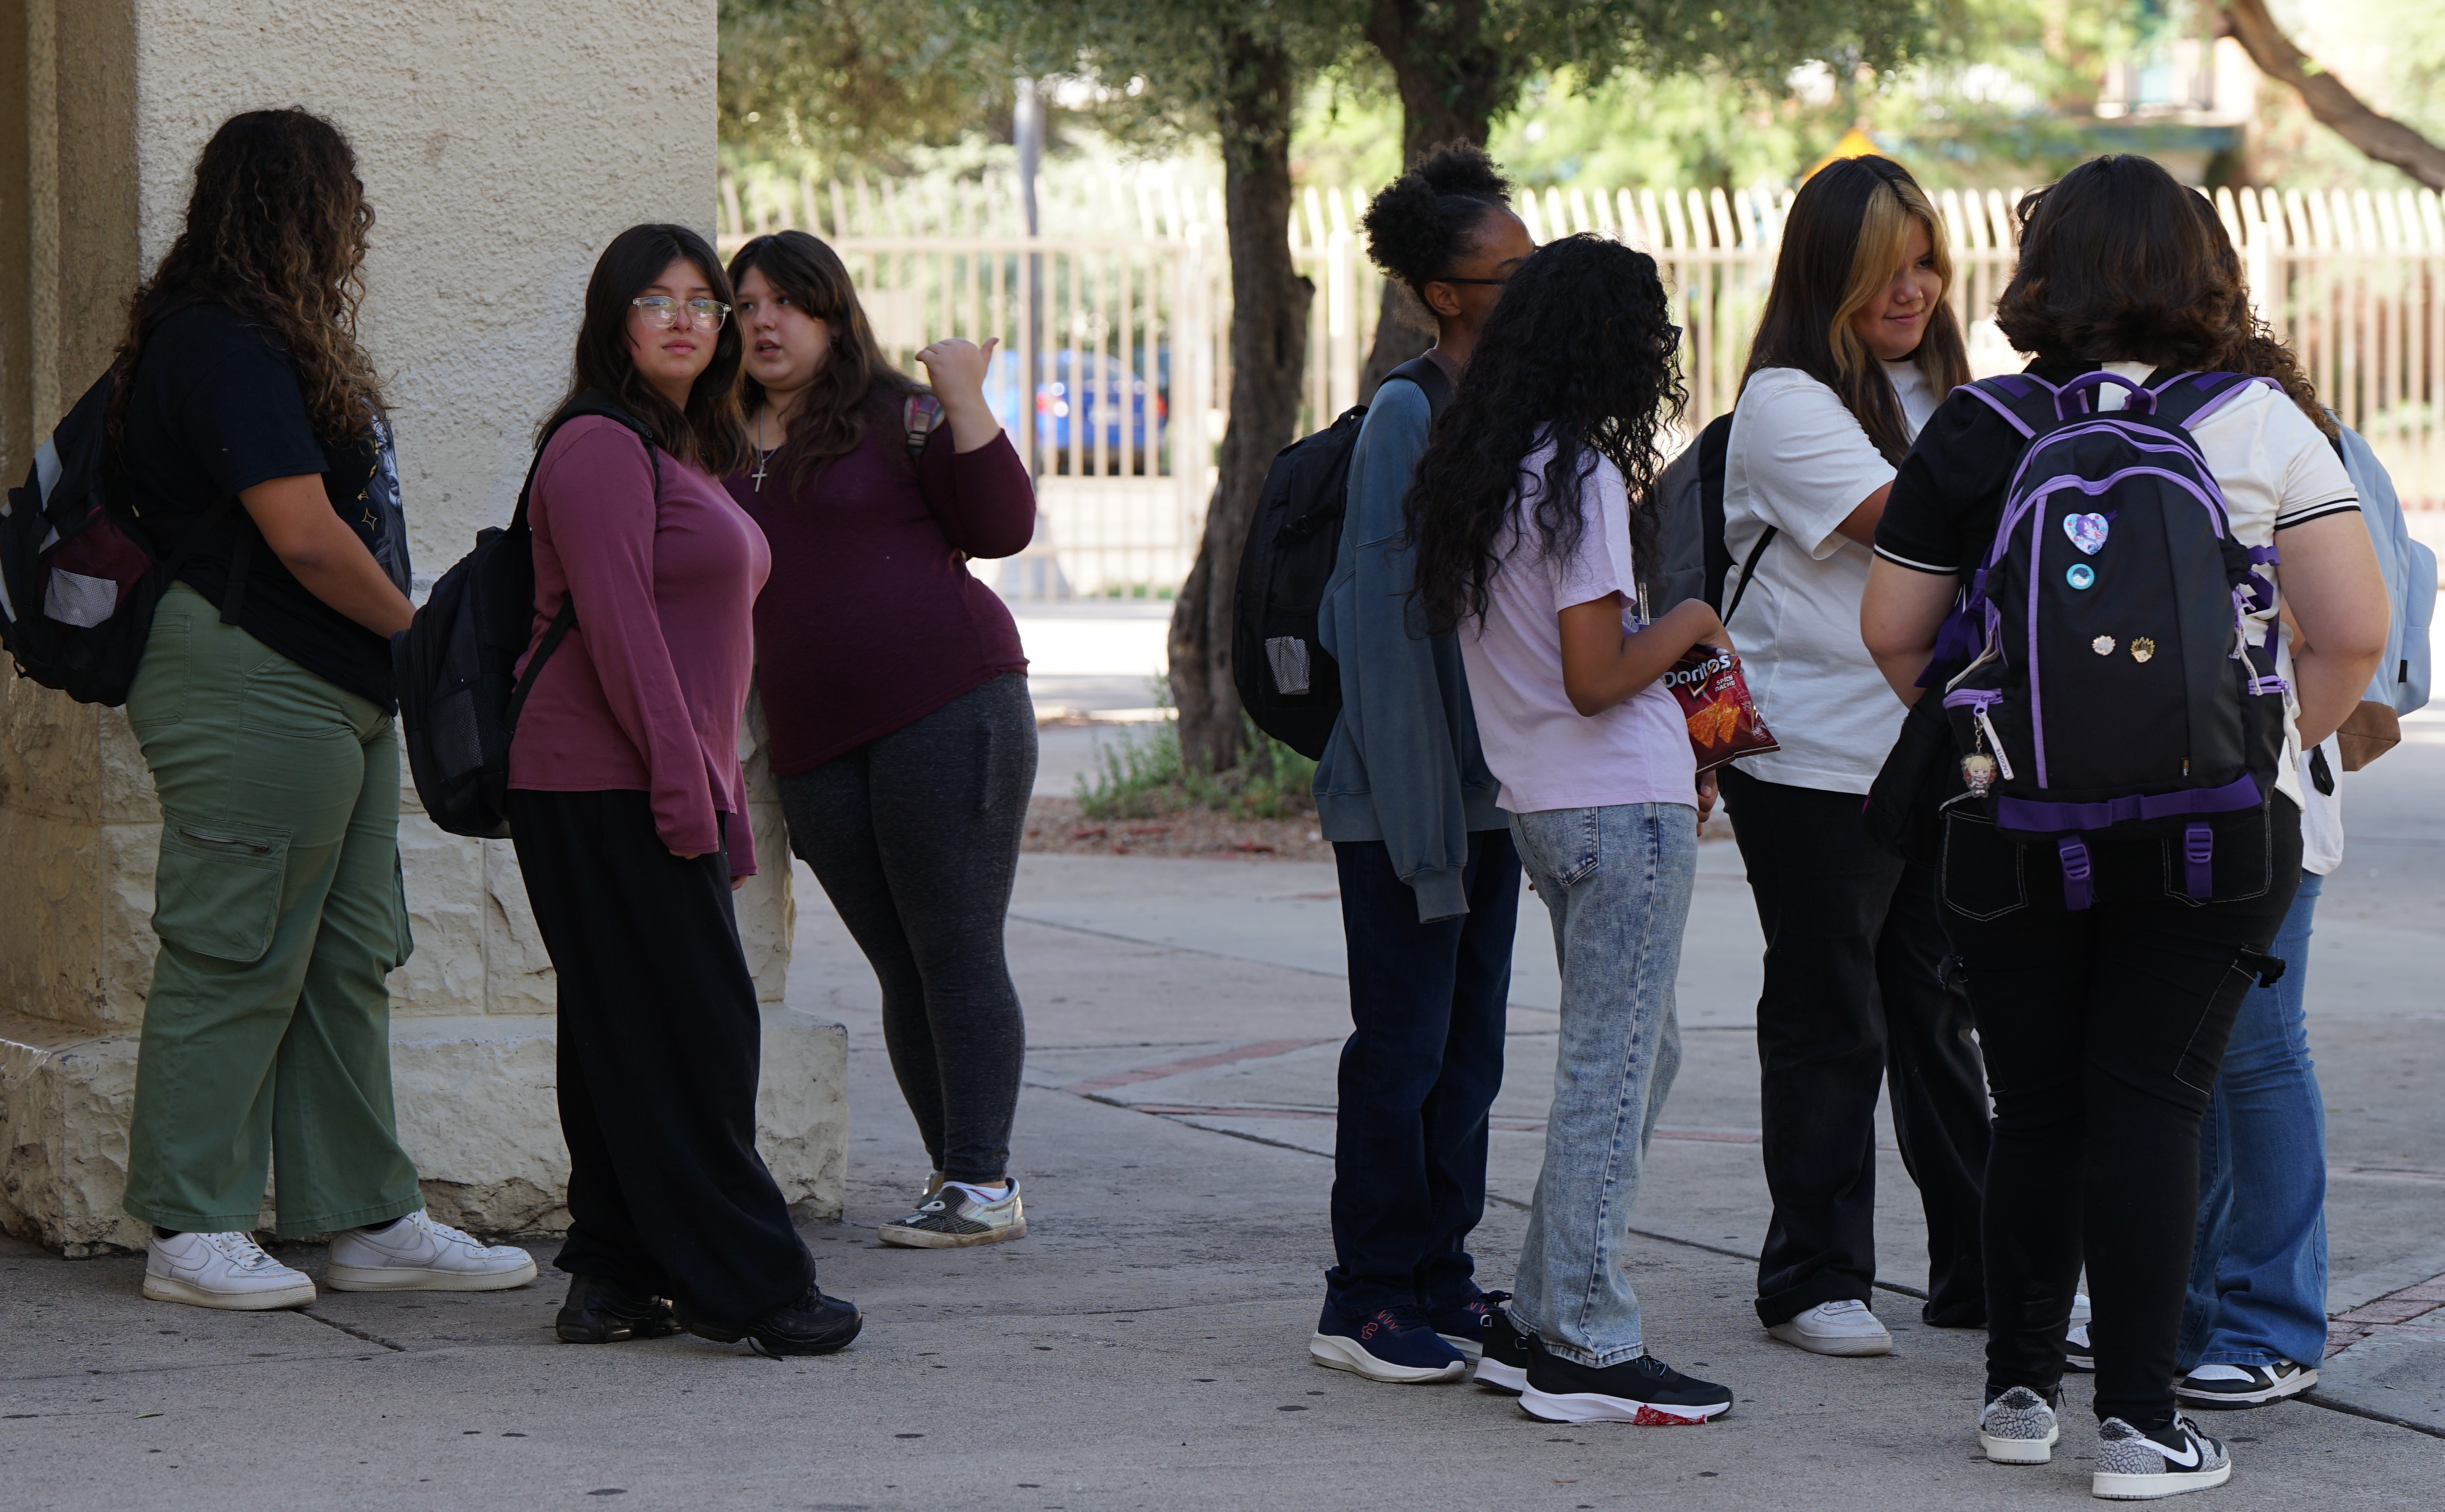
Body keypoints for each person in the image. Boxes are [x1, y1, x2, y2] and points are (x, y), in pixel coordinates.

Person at [1860, 155, 2387, 1498]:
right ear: (2198, 271)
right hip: (2215, 830)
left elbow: (1891, 633)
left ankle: (2018, 1393)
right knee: (2153, 1103)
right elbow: (2352, 631)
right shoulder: (2262, 423)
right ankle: (2144, 1426)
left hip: (2008, 825)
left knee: (2031, 1102)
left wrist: (2013, 738)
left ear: (2040, 275)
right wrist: (2263, 750)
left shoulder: (1978, 425)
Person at [114, 109, 535, 1310]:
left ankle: (365, 1216)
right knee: (234, 948)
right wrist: (429, 639)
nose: (356, 230)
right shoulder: (218, 342)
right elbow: (303, 537)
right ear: (298, 209)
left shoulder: (272, 339)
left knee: (347, 955)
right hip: (246, 673)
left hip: (330, 683)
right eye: (343, 204)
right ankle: (190, 1228)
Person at [506, 223, 860, 1356]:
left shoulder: (671, 446)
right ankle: (750, 1284)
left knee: (627, 1030)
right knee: (697, 1035)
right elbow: (621, 640)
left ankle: (614, 1275)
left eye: (703, 301)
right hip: (605, 778)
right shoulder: (600, 448)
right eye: (655, 300)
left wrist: (702, 788)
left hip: (646, 775)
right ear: (615, 320)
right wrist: (681, 793)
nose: (686, 320)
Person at [1409, 232, 1736, 1426]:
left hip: (1550, 803)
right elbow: (1598, 673)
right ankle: (1586, 1346)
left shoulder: (1484, 468)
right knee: (1610, 1067)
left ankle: (1543, 1310)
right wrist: (1691, 618)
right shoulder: (1583, 473)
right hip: (1615, 798)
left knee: (1642, 1055)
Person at [1716, 156, 1991, 1355]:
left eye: (1926, 259)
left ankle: (1982, 1267)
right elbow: (1916, 531)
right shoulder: (1788, 403)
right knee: (1833, 1009)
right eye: (1886, 264)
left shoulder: (1941, 393)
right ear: (1829, 272)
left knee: (1936, 1010)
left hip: (1937, 749)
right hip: (1815, 756)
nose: (1913, 286)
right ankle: (1812, 1275)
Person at [723, 230, 1039, 1248]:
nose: (765, 321)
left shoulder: (898, 416)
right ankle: (956, 1171)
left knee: (954, 944)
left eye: (790, 302)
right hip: (814, 739)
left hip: (948, 706)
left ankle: (984, 1182)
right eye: (748, 304)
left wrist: (964, 401)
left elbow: (1001, 526)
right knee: (901, 963)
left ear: (832, 314)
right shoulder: (715, 434)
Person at [1304, 145, 1537, 1385]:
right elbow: (1388, 637)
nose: (1531, 289)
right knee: (1398, 1047)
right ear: (1445, 294)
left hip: (1485, 801)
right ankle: (1365, 1292)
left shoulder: (1506, 415)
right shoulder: (1408, 413)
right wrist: (1424, 831)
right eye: (1511, 274)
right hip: (1407, 802)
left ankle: (1441, 1270)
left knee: (1471, 1050)